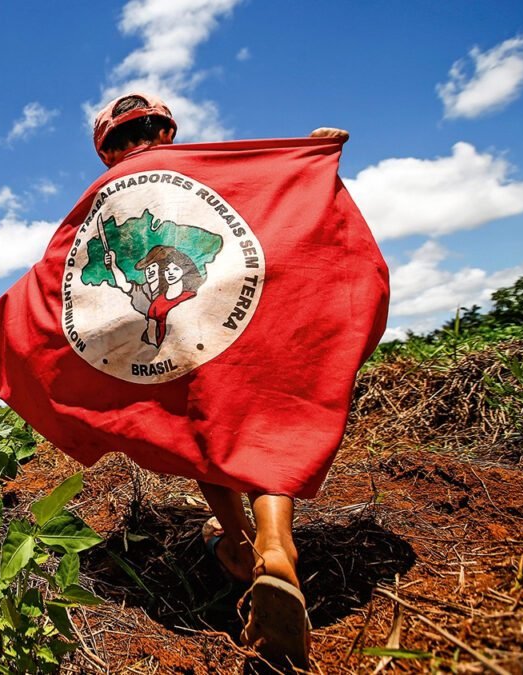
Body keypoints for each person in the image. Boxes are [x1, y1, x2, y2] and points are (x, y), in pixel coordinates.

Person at [94, 92, 352, 669]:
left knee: (201, 431)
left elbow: (77, 282)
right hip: (233, 317)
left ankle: (235, 542)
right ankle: (277, 546)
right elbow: (270, 208)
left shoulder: (107, 202)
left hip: (172, 338)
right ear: (165, 131)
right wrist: (307, 162)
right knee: (258, 421)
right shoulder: (205, 174)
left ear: (106, 150)